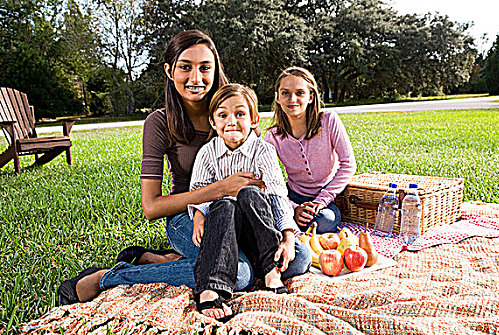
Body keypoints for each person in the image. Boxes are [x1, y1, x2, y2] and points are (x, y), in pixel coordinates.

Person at [57, 31, 311, 307]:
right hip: (188, 218)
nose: (196, 78)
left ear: (216, 70)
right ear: (169, 70)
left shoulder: (238, 110)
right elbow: (151, 207)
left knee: (297, 259)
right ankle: (113, 276)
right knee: (239, 274)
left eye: (205, 68)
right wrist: (219, 189)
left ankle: (164, 259)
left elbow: (267, 182)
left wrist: (283, 222)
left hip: (244, 214)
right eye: (185, 67)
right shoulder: (159, 123)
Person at [189, 84, 307, 321]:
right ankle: (211, 287)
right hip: (224, 229)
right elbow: (199, 191)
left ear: (253, 119)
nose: (231, 121)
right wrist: (200, 215)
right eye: (223, 115)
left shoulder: (263, 151)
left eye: (240, 114)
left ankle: (270, 271)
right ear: (213, 122)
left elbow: (276, 195)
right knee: (224, 204)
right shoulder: (207, 153)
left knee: (251, 195)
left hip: (258, 230)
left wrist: (288, 235)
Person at [264, 67, 357, 234]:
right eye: (285, 93)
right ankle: (290, 222)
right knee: (264, 212)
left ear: (310, 97)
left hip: (327, 197)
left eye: (300, 93)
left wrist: (321, 201)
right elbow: (268, 180)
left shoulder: (329, 121)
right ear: (277, 97)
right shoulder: (273, 136)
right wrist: (293, 208)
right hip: (292, 196)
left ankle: (290, 225)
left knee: (325, 221)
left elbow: (348, 164)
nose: (292, 99)